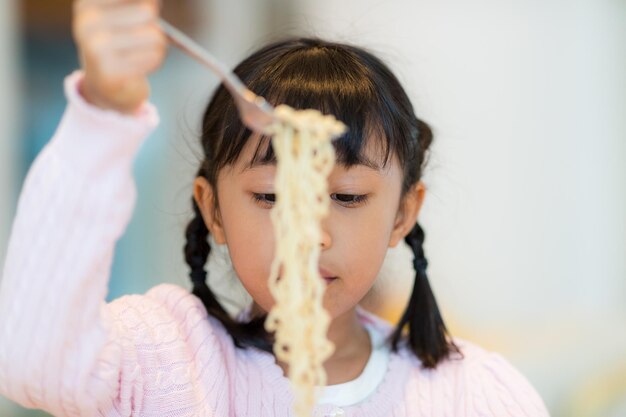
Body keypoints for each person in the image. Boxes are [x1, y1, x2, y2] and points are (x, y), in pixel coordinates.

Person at [0, 0, 550, 416]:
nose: (308, 234)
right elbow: (32, 363)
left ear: (403, 215)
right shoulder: (169, 359)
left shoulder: (474, 394)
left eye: (348, 197)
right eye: (271, 197)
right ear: (212, 210)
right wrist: (103, 114)